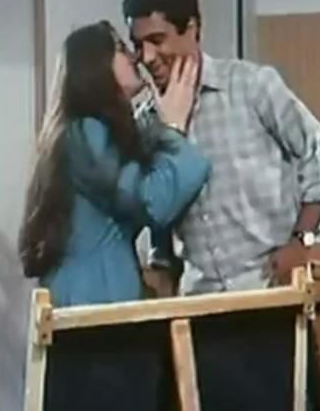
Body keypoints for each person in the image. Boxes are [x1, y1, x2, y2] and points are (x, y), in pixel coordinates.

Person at [123, 0, 320, 294]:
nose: (147, 57)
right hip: (199, 300)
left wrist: (302, 241)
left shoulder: (252, 86)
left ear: (191, 29)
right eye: (138, 46)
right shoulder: (147, 122)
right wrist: (161, 260)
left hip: (270, 289)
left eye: (157, 40)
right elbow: (159, 206)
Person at [17, 21, 211, 307]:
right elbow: (153, 202)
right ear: (96, 64)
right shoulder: (85, 133)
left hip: (94, 301)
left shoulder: (88, 132)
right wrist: (173, 129)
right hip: (91, 306)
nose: (135, 57)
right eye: (121, 48)